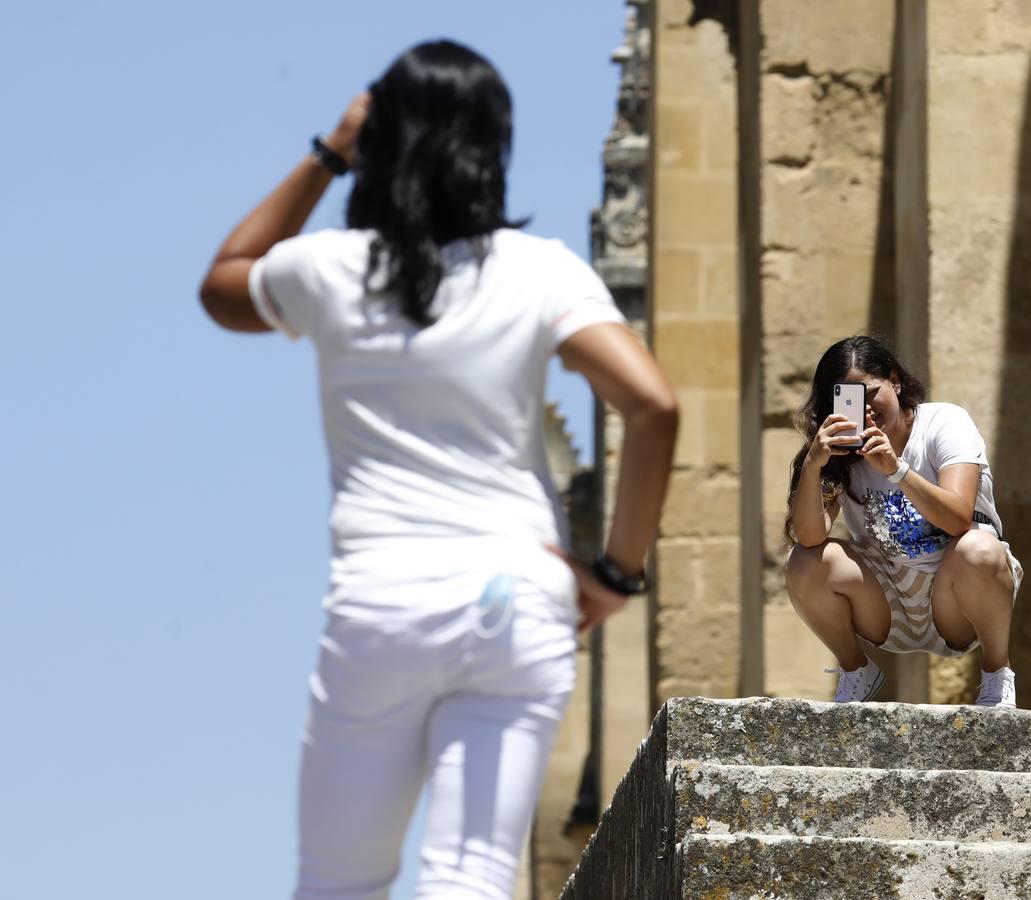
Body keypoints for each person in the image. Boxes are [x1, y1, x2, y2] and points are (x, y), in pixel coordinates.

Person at [197, 41, 677, 900]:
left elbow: (224, 285)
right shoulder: (539, 271)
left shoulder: (335, 268)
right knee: (472, 880)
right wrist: (615, 572)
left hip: (385, 595)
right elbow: (652, 405)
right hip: (517, 596)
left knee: (338, 882)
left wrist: (326, 154)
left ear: (383, 137)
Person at [784, 336, 1022, 708]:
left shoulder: (945, 422)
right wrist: (814, 464)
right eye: (849, 400)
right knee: (804, 561)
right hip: (887, 599)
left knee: (978, 547)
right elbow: (809, 537)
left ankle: (996, 674)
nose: (864, 410)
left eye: (871, 393)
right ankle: (855, 670)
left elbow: (959, 518)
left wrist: (897, 471)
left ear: (894, 381)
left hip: (958, 595)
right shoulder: (838, 454)